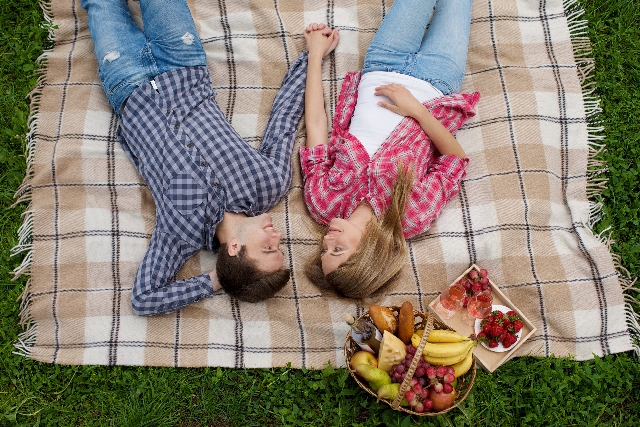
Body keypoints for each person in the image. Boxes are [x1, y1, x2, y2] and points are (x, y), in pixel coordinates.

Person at [81, 0, 336, 315]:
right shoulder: (270, 184)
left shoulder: (181, 232)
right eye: (278, 245)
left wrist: (220, 280)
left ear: (234, 249)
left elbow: (144, 298)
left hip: (129, 86)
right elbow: (283, 120)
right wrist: (312, 57)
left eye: (268, 247)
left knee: (102, 5)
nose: (278, 236)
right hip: (182, 62)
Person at [301, 0, 480, 298]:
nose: (326, 240)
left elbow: (317, 124)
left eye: (324, 251)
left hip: (383, 63)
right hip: (437, 82)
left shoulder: (322, 202)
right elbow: (455, 161)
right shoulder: (410, 217)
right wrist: (418, 111)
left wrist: (315, 56)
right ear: (369, 252)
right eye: (337, 249)